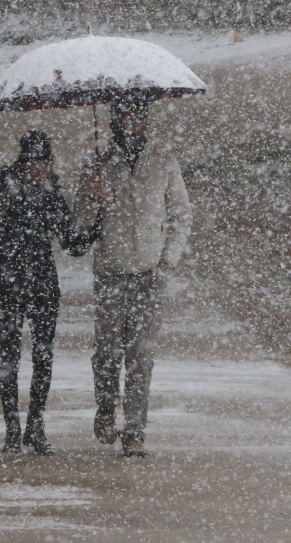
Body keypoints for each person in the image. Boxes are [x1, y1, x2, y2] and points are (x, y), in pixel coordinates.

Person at [74, 99, 192, 457]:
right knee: (108, 353)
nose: (131, 122)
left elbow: (182, 215)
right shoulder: (97, 163)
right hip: (110, 272)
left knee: (141, 356)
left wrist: (166, 262)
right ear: (112, 122)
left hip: (148, 274)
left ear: (146, 121)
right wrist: (91, 199)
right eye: (123, 116)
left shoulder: (163, 161)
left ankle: (135, 430)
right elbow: (78, 227)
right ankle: (106, 409)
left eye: (137, 116)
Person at [0, 130, 94, 455]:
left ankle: (35, 426)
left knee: (42, 356)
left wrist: (97, 218)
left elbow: (72, 244)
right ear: (22, 160)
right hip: (7, 281)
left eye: (43, 160)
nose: (38, 166)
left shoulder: (53, 195)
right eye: (32, 159)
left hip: (41, 283)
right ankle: (13, 431)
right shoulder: (6, 184)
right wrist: (2, 188)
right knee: (9, 357)